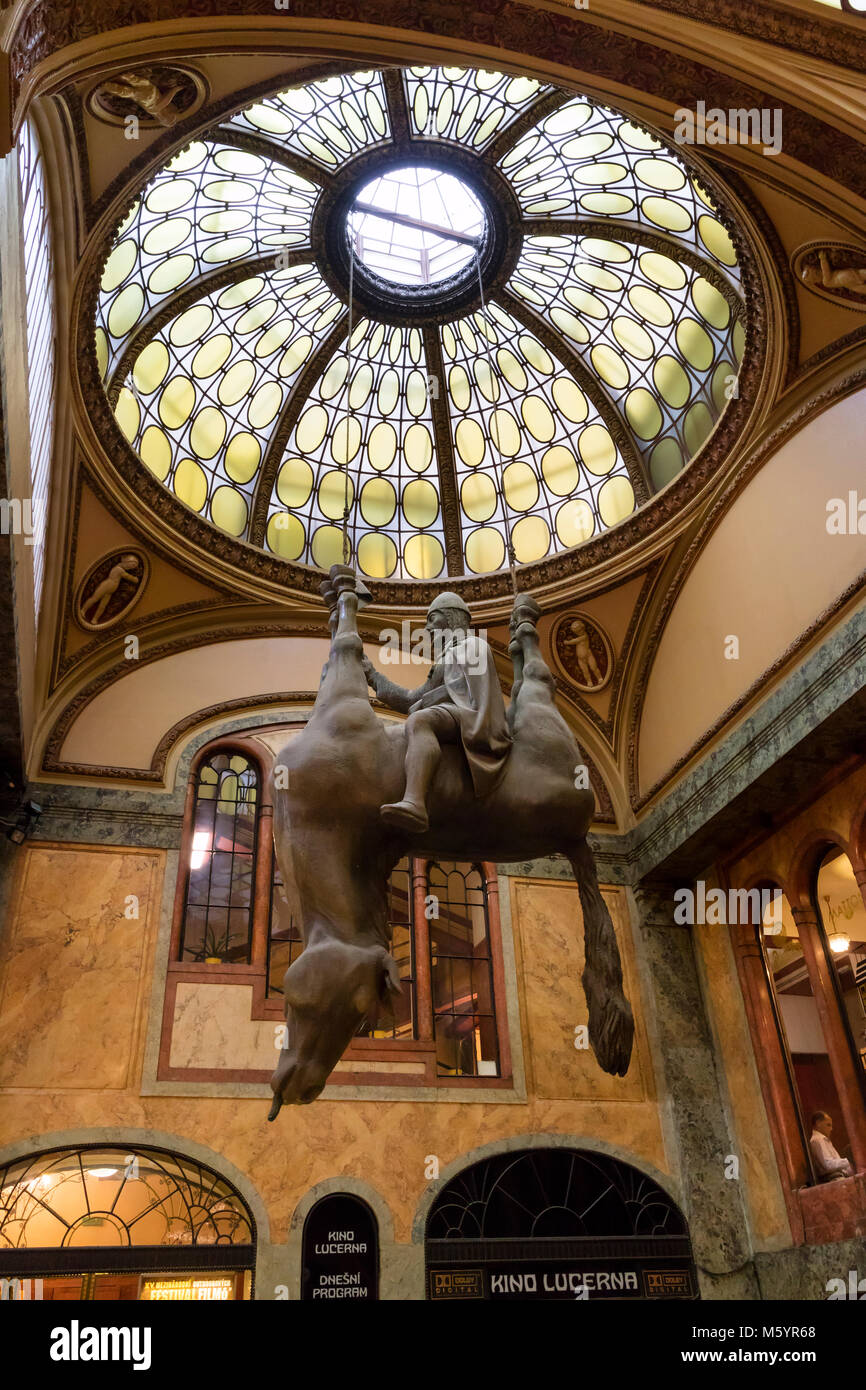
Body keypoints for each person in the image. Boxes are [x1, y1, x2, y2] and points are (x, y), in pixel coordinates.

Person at [362, 591, 511, 833]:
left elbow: (475, 697)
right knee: (418, 716)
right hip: (456, 714)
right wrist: (373, 676)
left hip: (475, 718)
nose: (428, 627)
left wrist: (433, 699)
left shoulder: (473, 645)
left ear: (451, 618)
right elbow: (413, 698)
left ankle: (415, 802)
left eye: (433, 619)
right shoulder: (447, 656)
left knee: (421, 720)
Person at [809, 1111, 853, 1181]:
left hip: (840, 1176)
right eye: (828, 1125)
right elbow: (828, 1165)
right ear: (818, 1123)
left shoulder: (823, 1140)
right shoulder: (818, 1140)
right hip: (833, 1179)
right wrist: (849, 1161)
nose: (831, 1129)